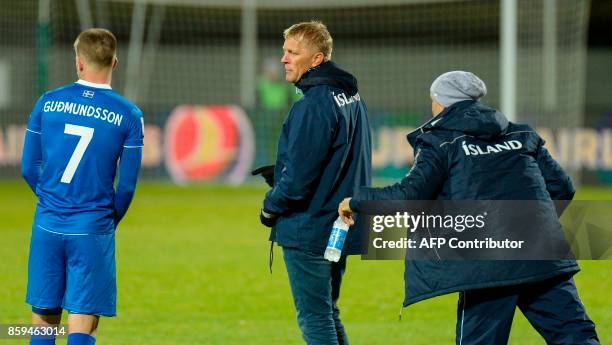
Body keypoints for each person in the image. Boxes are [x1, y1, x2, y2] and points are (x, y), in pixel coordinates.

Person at [339, 71, 599, 345]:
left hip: (489, 264)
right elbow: (562, 188)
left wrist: (356, 200)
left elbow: (408, 196)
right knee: (576, 337)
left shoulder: (439, 141)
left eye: (433, 100)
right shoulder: (522, 133)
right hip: (543, 254)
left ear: (441, 102)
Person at [21, 28, 143, 345]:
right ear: (115, 63)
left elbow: (28, 168)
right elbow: (127, 186)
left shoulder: (47, 103)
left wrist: (55, 201)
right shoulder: (129, 115)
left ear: (78, 62)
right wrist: (103, 219)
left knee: (43, 325)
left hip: (47, 224)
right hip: (91, 227)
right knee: (83, 325)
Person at [258, 21, 371, 345]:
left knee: (315, 318)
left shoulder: (313, 106)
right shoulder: (350, 97)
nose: (284, 59)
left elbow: (298, 182)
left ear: (317, 59)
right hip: (339, 225)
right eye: (284, 51)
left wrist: (270, 207)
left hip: (310, 228)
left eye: (293, 52)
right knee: (328, 312)